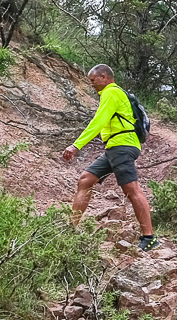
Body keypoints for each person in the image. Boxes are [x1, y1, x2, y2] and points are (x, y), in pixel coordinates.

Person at [61, 64, 158, 249]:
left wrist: (76, 145)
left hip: (122, 146)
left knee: (132, 189)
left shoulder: (111, 92)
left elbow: (99, 121)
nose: (91, 84)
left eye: (93, 80)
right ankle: (70, 229)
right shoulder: (115, 93)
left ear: (104, 77)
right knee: (85, 180)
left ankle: (149, 238)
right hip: (115, 148)